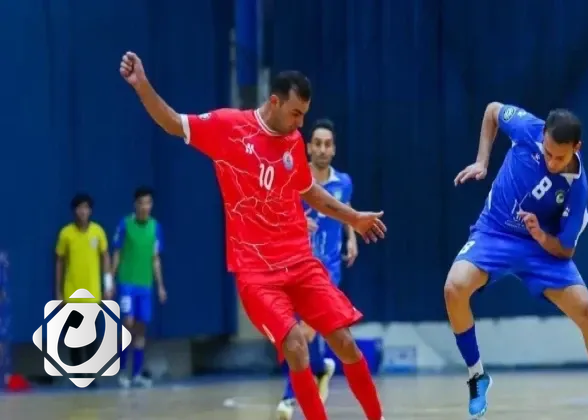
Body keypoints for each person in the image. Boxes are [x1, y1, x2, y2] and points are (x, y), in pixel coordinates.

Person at [119, 51, 386, 420]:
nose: (300, 123)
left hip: (301, 262)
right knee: (296, 346)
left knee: (344, 342)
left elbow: (309, 191)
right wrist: (142, 86)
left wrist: (353, 218)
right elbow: (171, 122)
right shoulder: (228, 127)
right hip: (257, 273)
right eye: (295, 113)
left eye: (304, 115)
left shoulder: (293, 140)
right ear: (274, 102)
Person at [446, 102, 588, 420]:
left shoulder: (578, 188)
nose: (551, 162)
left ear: (576, 148)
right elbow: (492, 111)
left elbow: (565, 251)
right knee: (454, 288)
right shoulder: (528, 128)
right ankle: (477, 375)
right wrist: (482, 161)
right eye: (547, 153)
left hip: (540, 249)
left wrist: (541, 236)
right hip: (494, 233)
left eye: (559, 157)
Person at [276, 118, 357, 420]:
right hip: (295, 266)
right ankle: (321, 367)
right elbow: (276, 215)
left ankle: (288, 397)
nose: (322, 149)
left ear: (333, 149)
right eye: (318, 144)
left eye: (328, 144)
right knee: (298, 330)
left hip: (327, 270)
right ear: (309, 147)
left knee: (305, 331)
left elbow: (346, 211)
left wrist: (351, 238)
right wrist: (297, 221)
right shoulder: (294, 180)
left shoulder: (343, 183)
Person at [111, 186, 166, 388]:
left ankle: (136, 374)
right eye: (142, 203)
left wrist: (160, 286)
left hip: (145, 285)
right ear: (135, 204)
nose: (145, 207)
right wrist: (110, 279)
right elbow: (117, 253)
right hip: (127, 283)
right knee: (127, 323)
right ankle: (121, 371)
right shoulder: (125, 224)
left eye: (148, 203)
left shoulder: (155, 227)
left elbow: (155, 258)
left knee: (141, 328)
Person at [54, 193, 112, 382]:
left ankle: (91, 374)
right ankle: (78, 374)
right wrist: (59, 292)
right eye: (79, 208)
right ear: (74, 211)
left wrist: (108, 285)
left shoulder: (98, 232)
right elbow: (60, 262)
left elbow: (105, 258)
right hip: (72, 293)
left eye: (86, 208)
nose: (83, 212)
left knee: (92, 337)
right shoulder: (66, 233)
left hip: (92, 293)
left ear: (91, 211)